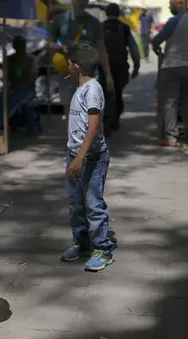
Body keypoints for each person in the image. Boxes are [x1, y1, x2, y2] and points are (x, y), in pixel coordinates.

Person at [60, 43, 115, 272]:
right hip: (75, 155)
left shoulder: (93, 89)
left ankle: (102, 248)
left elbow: (93, 128)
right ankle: (81, 242)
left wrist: (80, 157)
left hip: (91, 157)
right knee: (75, 203)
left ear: (75, 65)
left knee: (93, 204)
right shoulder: (80, 87)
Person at [152, 0, 188, 148]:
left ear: (180, 3)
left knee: (170, 101)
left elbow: (158, 39)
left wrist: (156, 48)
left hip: (172, 66)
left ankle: (172, 137)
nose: (170, 7)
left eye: (171, 3)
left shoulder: (174, 20)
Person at [47, 0, 114, 121]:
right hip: (67, 71)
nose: (83, 2)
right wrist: (60, 48)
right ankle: (73, 139)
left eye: (86, 0)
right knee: (70, 110)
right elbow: (49, 44)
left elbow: (102, 49)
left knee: (91, 110)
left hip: (89, 73)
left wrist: (108, 74)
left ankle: (89, 138)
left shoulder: (94, 23)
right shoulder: (60, 20)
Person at [102, 3, 140, 133]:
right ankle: (115, 119)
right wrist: (136, 66)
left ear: (107, 13)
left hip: (104, 67)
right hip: (121, 67)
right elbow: (133, 48)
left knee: (105, 95)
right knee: (118, 93)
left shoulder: (100, 27)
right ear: (118, 14)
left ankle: (107, 122)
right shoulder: (124, 28)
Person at [0, 35, 39, 133]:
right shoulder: (9, 60)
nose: (21, 48)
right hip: (12, 88)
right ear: (14, 47)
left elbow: (30, 79)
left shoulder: (30, 60)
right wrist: (7, 89)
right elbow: (6, 78)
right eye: (18, 45)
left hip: (27, 89)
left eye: (22, 45)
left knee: (14, 101)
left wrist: (16, 89)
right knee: (0, 102)